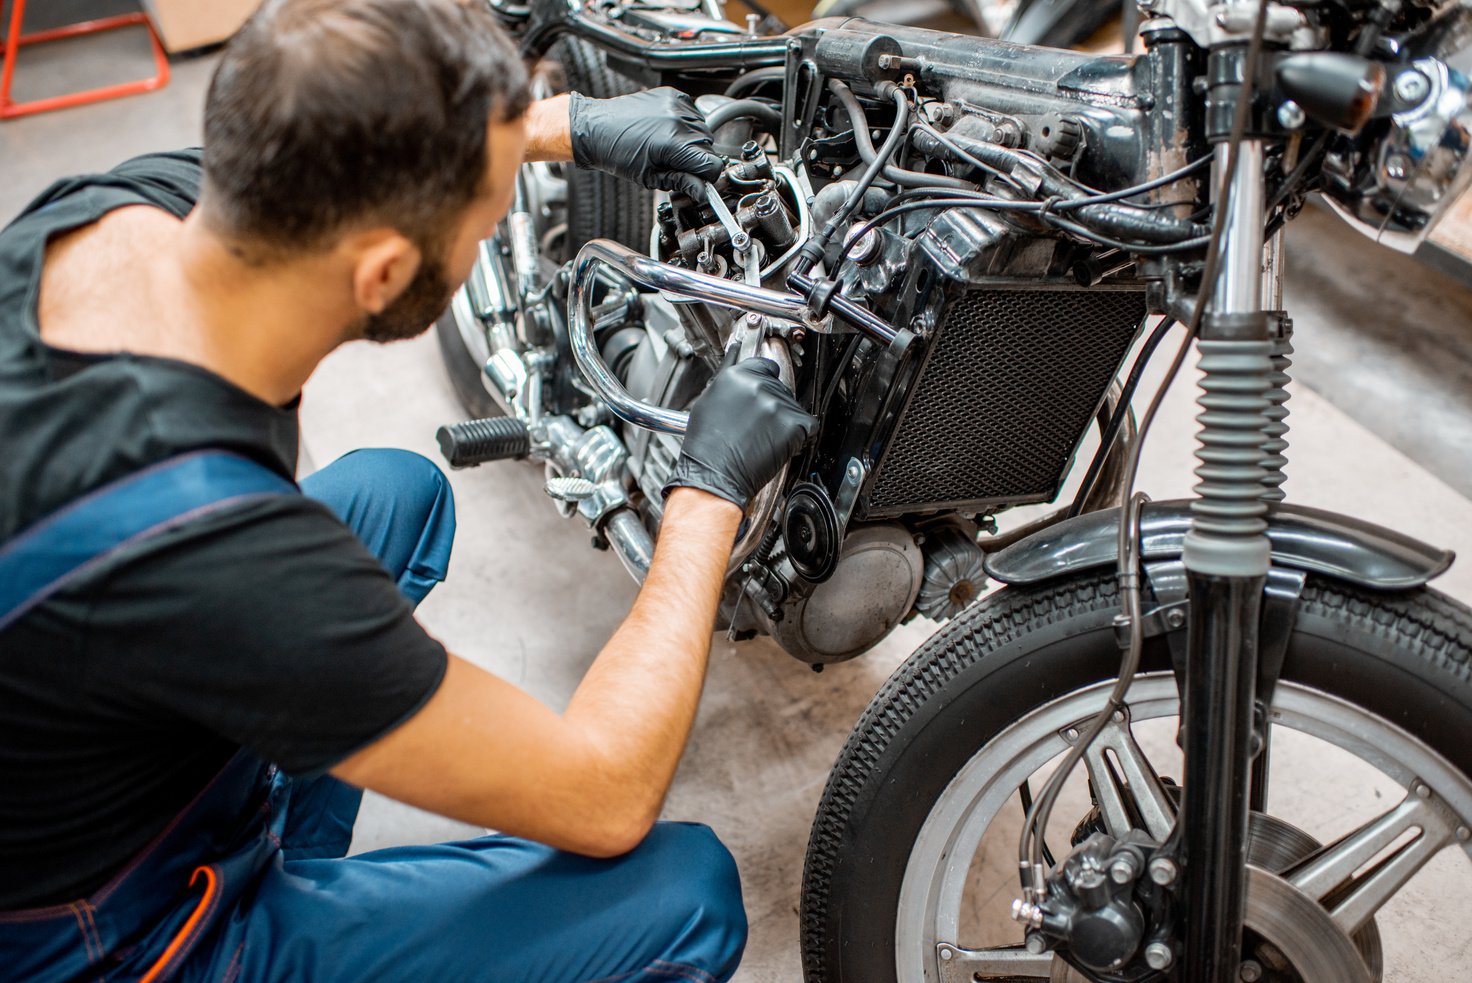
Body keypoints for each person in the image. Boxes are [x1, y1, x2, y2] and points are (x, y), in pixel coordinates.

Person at [0, 1, 816, 980]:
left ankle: (297, 869)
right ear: (383, 271)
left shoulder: (110, 217)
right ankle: (266, 927)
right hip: (105, 934)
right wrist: (706, 487)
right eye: (479, 226)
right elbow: (604, 792)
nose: (482, 244)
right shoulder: (224, 554)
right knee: (683, 893)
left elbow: (326, 126)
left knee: (395, 493)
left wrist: (571, 129)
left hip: (75, 740)